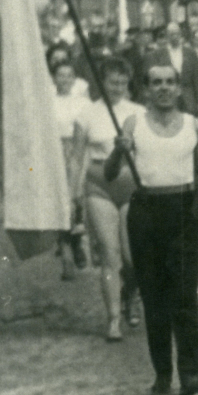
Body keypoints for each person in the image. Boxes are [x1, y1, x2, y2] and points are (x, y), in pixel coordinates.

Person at [106, 57, 198, 395]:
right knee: (154, 297)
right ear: (147, 90)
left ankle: (191, 372)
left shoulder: (196, 127)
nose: (163, 88)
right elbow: (109, 174)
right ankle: (162, 371)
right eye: (156, 83)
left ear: (179, 89)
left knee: (185, 293)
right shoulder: (134, 124)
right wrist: (118, 153)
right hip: (146, 211)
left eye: (169, 82)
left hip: (182, 211)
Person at [76, 59, 141, 341]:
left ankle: (131, 293)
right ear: (101, 82)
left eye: (123, 82)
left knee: (131, 257)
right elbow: (76, 157)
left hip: (130, 185)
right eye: (112, 82)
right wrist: (73, 195)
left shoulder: (138, 113)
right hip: (98, 184)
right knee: (109, 254)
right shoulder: (86, 113)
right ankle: (113, 318)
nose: (118, 88)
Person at [50, 57, 90, 282]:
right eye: (60, 75)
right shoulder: (47, 102)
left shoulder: (82, 103)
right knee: (60, 202)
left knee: (77, 201)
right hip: (55, 153)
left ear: (75, 79)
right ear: (54, 78)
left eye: (68, 75)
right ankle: (66, 251)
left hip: (77, 151)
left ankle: (77, 245)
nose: (64, 79)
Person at [158, 21, 198, 116]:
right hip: (169, 97)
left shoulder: (190, 53)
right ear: (167, 36)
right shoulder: (160, 54)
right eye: (171, 34)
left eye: (176, 33)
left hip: (189, 97)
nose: (174, 37)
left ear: (180, 34)